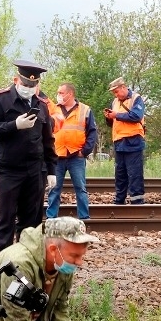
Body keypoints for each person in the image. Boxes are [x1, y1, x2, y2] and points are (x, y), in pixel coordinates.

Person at [0, 60, 56, 253]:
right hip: (9, 169)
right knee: (5, 219)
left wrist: (51, 170)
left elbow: (48, 139)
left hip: (35, 170)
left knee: (31, 222)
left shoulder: (42, 105)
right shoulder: (1, 98)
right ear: (17, 80)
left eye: (33, 85)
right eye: (25, 84)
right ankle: (2, 263)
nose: (29, 88)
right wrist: (14, 125)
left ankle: (26, 260)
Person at [45, 83, 98, 221]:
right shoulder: (53, 109)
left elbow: (92, 132)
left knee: (80, 188)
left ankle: (84, 217)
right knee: (54, 188)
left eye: (61, 92)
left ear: (70, 94)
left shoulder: (85, 110)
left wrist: (85, 151)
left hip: (76, 156)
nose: (58, 95)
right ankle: (51, 218)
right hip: (56, 155)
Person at [104, 77, 146, 205]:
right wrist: (109, 118)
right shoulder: (115, 102)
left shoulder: (136, 98)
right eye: (114, 93)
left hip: (133, 140)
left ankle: (137, 201)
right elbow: (114, 123)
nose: (115, 95)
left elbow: (135, 116)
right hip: (119, 142)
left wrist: (116, 115)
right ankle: (119, 200)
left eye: (116, 91)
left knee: (134, 173)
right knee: (120, 174)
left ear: (123, 87)